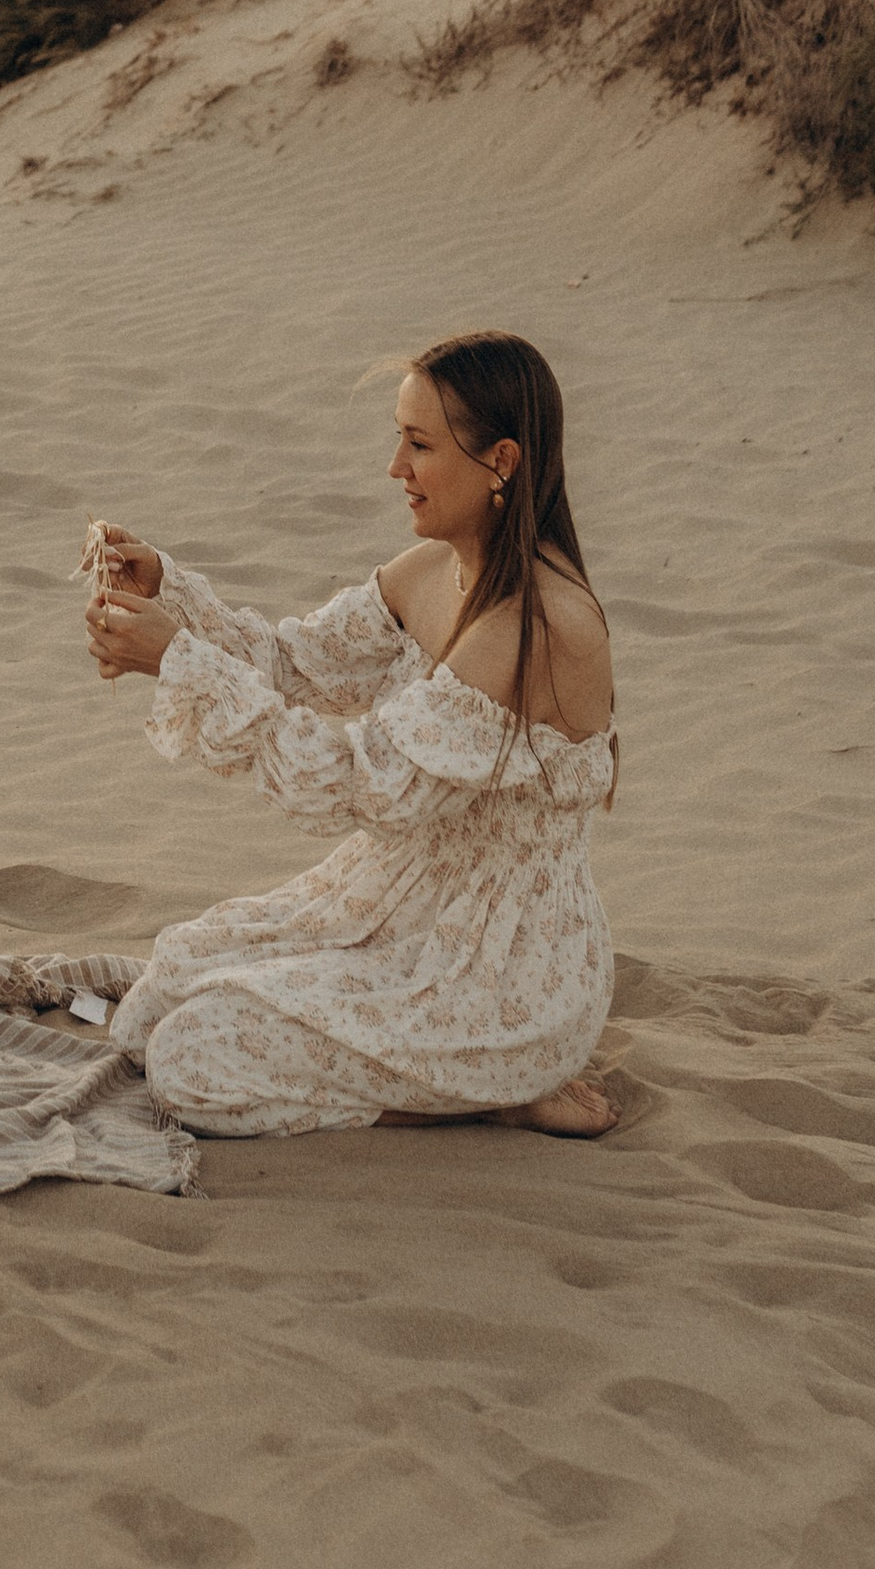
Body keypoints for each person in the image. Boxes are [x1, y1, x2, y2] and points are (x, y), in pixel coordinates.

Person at [82, 330, 620, 1142]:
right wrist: (169, 589)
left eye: (419, 444)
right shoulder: (431, 570)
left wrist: (179, 661)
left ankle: (496, 1083)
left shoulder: (537, 627)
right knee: (160, 994)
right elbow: (291, 664)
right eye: (397, 439)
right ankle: (461, 1080)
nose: (395, 469)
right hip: (399, 904)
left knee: (191, 1058)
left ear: (501, 460)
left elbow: (363, 784)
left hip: (499, 962)